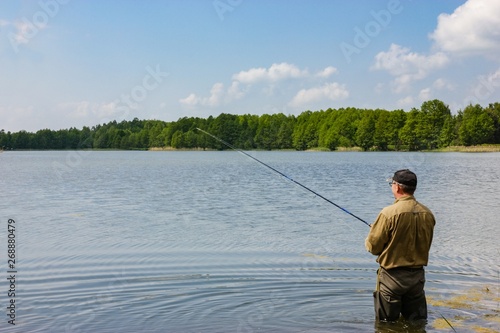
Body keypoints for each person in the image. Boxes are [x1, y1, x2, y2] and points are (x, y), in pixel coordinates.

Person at [365, 169, 435, 322]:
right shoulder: (428, 214)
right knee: (416, 324)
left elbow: (373, 248)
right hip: (417, 278)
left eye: (392, 184)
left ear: (397, 187)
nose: (392, 187)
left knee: (386, 325)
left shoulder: (388, 213)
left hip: (391, 277)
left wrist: (374, 231)